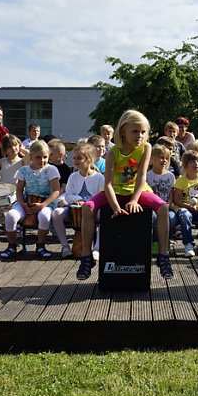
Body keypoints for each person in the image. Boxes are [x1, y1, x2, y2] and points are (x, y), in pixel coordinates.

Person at [76, 110, 173, 281]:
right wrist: (115, 207)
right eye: (135, 131)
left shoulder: (146, 148)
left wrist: (135, 199)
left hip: (138, 191)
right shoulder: (113, 151)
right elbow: (108, 184)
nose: (140, 136)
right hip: (115, 191)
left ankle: (163, 256)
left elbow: (142, 176)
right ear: (123, 131)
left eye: (143, 132)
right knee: (87, 208)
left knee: (164, 208)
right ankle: (86, 257)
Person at [0, 140, 61, 260]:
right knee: (11, 215)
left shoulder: (51, 169)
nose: (42, 160)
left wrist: (43, 204)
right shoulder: (24, 170)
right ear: (31, 156)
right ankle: (12, 245)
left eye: (45, 157)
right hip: (27, 202)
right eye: (38, 157)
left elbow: (56, 191)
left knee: (44, 216)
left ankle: (41, 246)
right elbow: (19, 191)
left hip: (46, 202)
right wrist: (23, 204)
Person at [52, 144, 104, 258]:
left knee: (105, 214)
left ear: (89, 159)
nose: (75, 160)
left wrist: (90, 204)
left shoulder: (99, 178)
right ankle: (65, 247)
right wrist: (78, 199)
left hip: (93, 211)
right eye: (74, 157)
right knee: (56, 213)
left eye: (79, 158)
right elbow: (68, 195)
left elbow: (102, 196)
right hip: (74, 211)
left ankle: (97, 249)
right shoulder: (73, 176)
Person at [146, 144, 178, 242]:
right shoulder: (147, 175)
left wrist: (168, 205)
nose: (164, 160)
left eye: (166, 158)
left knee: (172, 219)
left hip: (167, 206)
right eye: (161, 158)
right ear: (153, 159)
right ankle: (155, 241)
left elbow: (171, 193)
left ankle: (165, 240)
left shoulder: (170, 176)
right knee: (153, 218)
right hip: (152, 207)